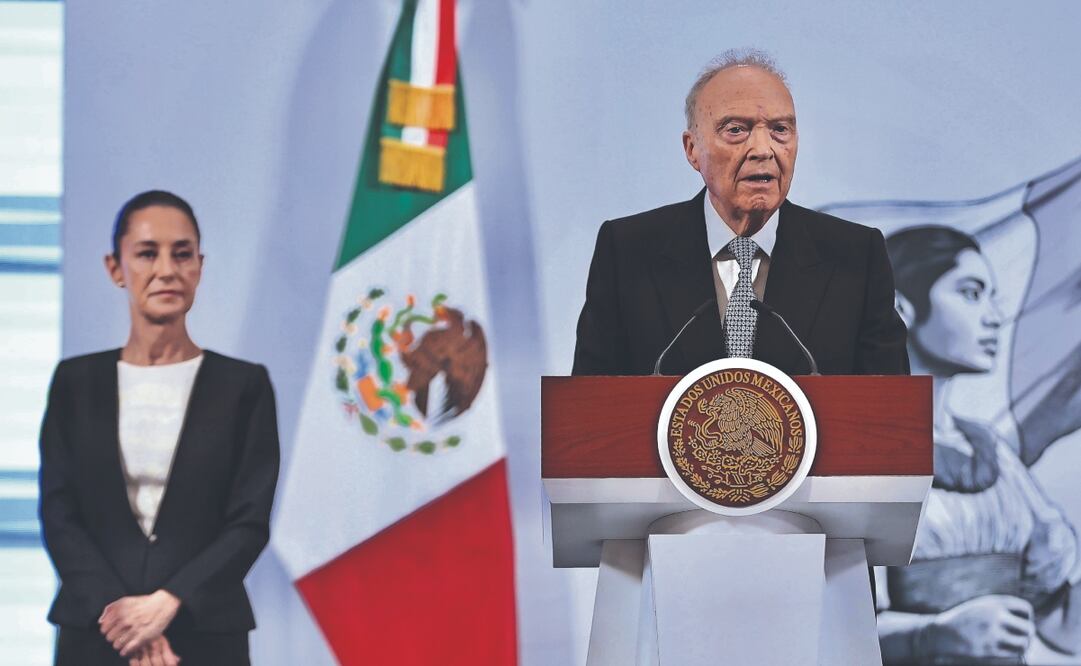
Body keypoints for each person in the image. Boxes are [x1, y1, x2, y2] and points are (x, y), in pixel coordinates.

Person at [38, 190, 280, 665]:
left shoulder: (244, 386)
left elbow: (248, 523)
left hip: (205, 634)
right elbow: (59, 513)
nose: (166, 269)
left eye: (182, 253)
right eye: (147, 253)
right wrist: (127, 621)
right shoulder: (74, 382)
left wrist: (166, 604)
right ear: (115, 267)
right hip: (96, 633)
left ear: (200, 266)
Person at [572, 49, 908, 376]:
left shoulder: (855, 256)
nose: (763, 150)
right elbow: (587, 410)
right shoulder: (627, 251)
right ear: (692, 149)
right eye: (736, 130)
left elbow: (891, 415)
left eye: (780, 130)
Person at [876, 225, 1081, 664]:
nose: (993, 316)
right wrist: (930, 636)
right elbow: (825, 620)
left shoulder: (992, 453)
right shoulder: (862, 448)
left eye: (992, 296)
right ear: (901, 308)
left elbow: (1060, 617)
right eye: (970, 294)